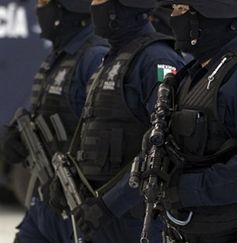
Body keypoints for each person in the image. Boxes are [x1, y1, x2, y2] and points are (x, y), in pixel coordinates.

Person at [143, 0, 237, 242]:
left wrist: (188, 189)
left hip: (233, 233)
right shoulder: (191, 76)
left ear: (210, 13)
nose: (173, 17)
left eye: (182, 9)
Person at [66, 0, 184, 242]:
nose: (93, 6)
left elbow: (165, 149)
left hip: (136, 220)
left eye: (100, 0)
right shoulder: (112, 58)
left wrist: (109, 205)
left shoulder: (156, 58)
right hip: (102, 215)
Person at [0, 0, 109, 242]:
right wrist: (17, 137)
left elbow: (103, 129)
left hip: (79, 198)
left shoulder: (94, 56)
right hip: (48, 195)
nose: (39, 10)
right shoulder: (58, 57)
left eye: (45, 3)